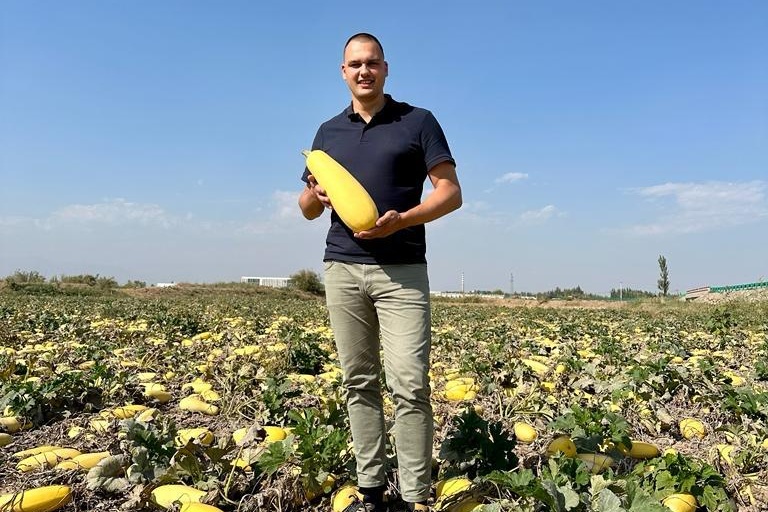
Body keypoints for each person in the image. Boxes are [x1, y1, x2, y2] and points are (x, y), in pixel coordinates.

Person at [298, 33, 462, 512]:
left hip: (403, 270)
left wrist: (403, 218)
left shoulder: (419, 122)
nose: (363, 71)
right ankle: (370, 487)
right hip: (343, 268)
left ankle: (413, 495)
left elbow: (450, 192)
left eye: (371, 63)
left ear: (386, 68)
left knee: (410, 384)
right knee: (358, 381)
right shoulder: (326, 134)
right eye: (354, 64)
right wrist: (316, 195)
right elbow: (307, 208)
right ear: (343, 72)